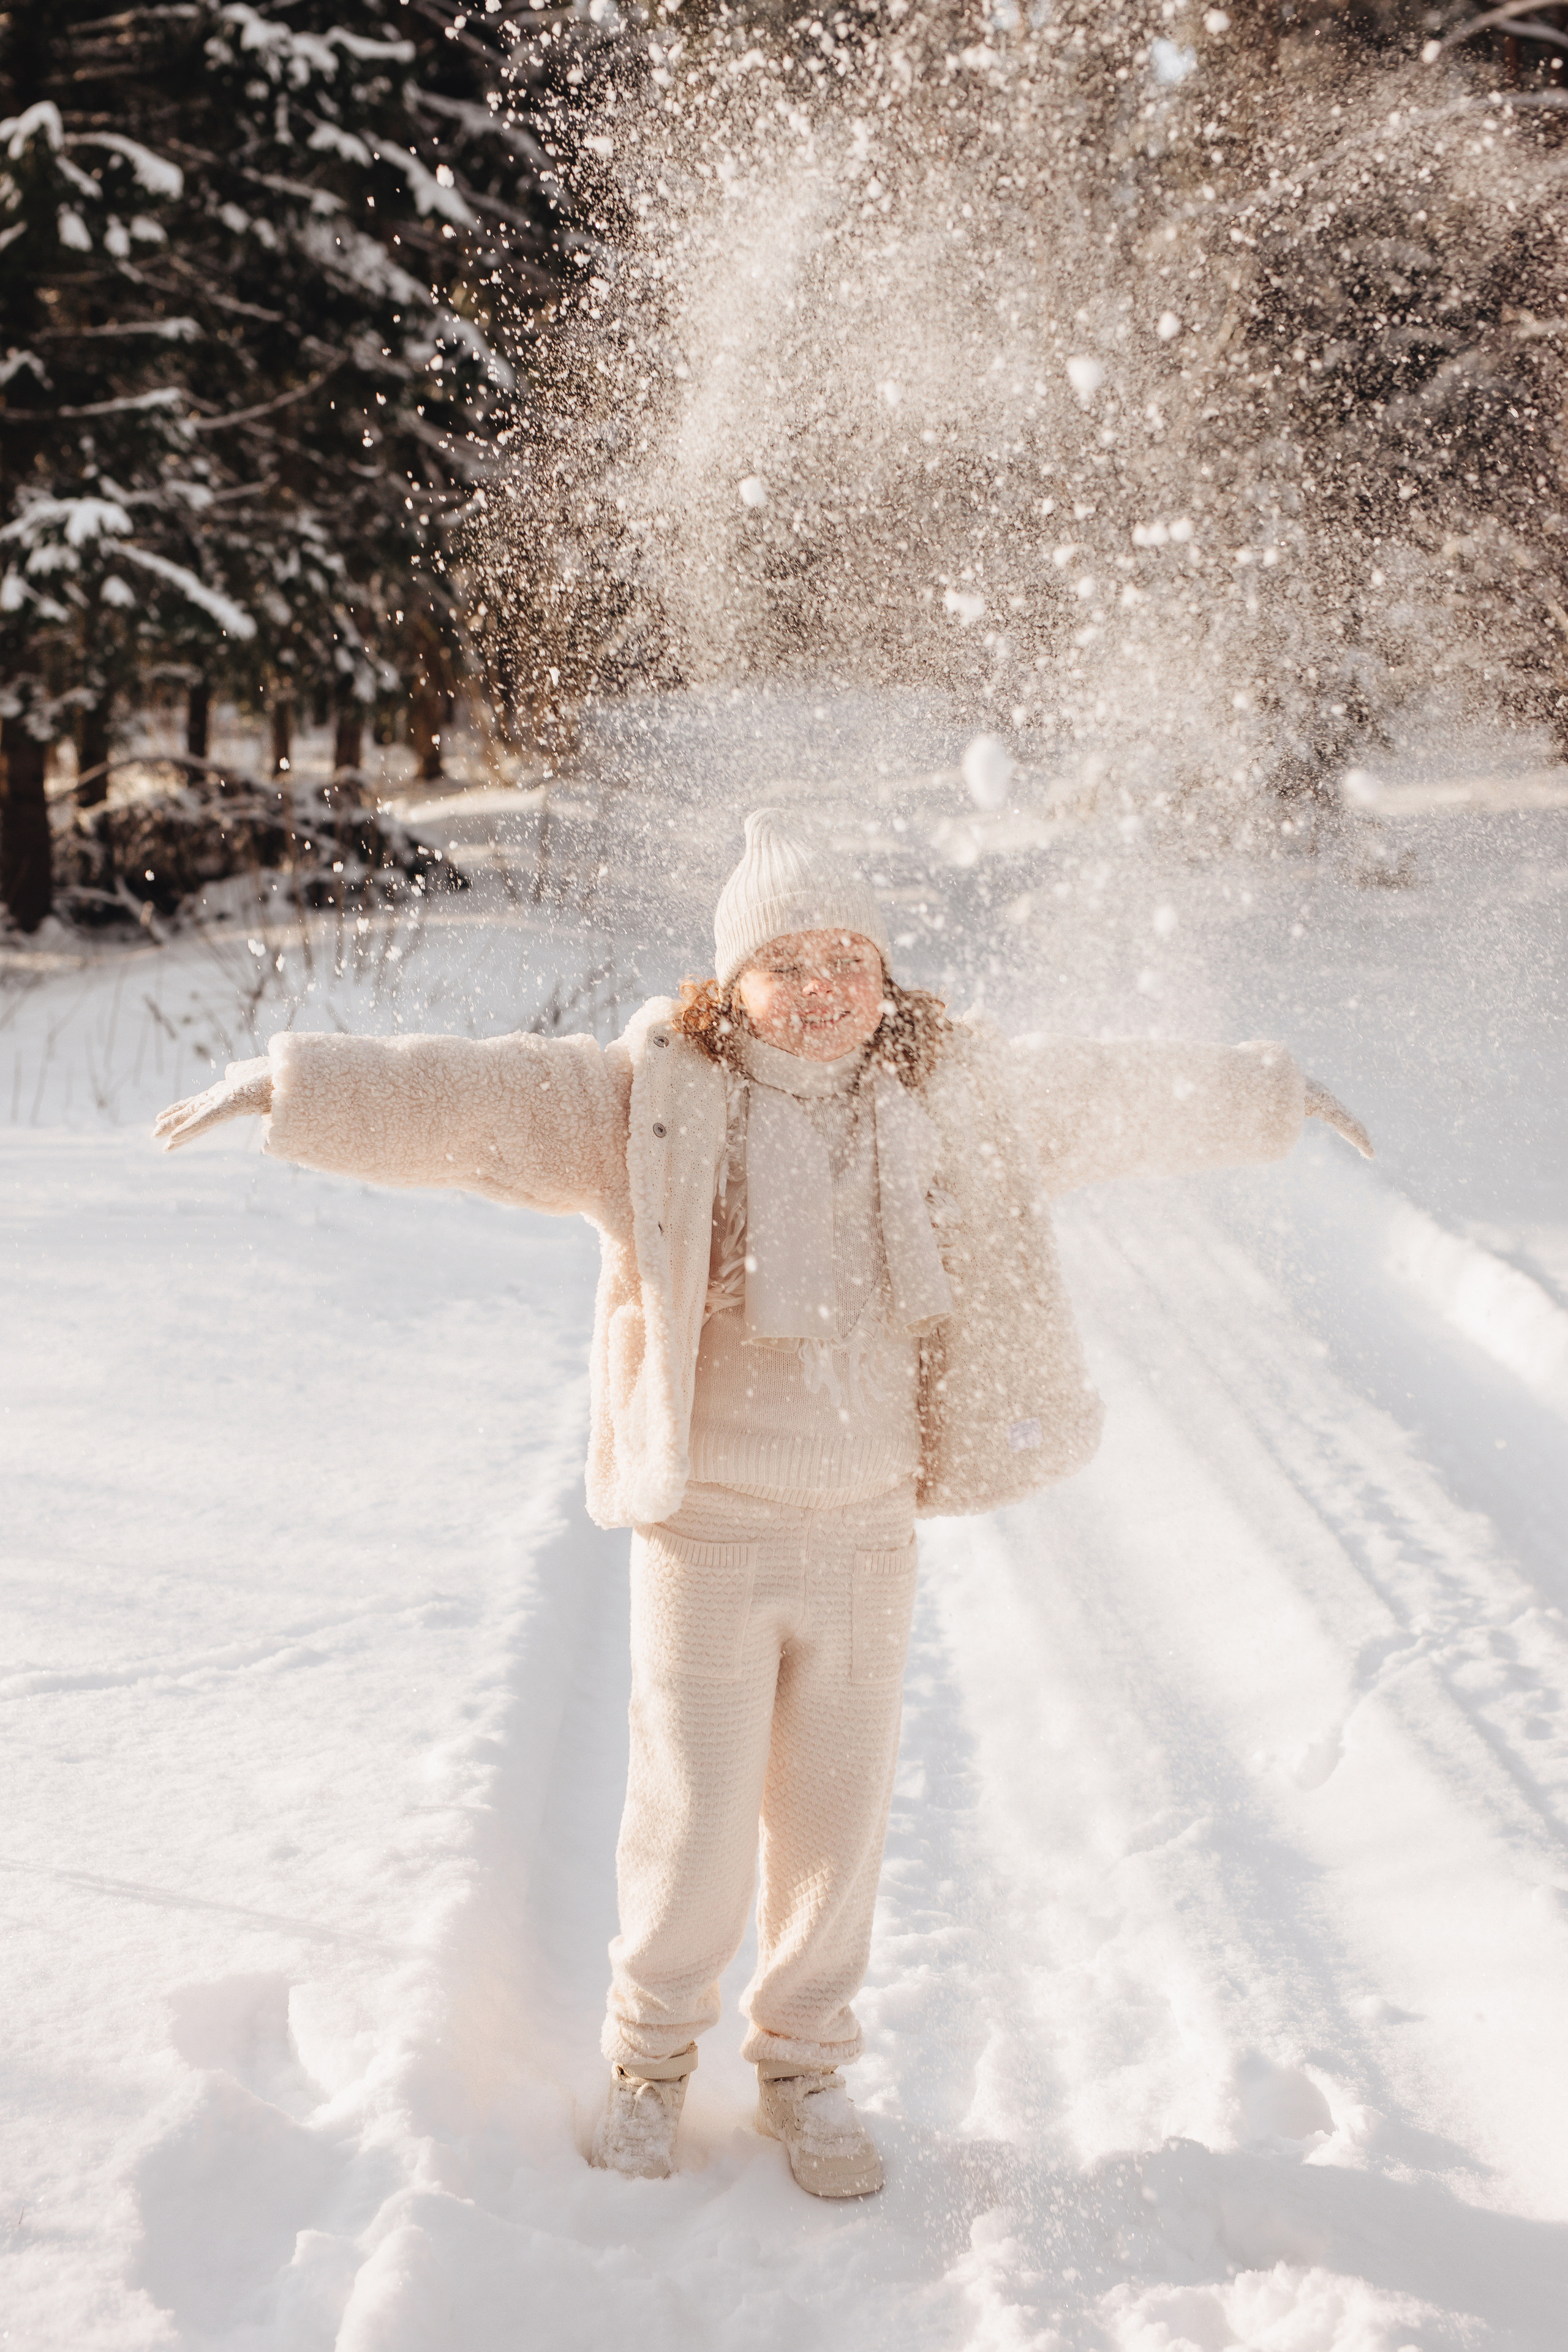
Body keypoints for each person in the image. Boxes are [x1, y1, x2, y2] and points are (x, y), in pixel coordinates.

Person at [154, 807, 1373, 2199]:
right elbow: (477, 1102)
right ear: (727, 983)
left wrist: (1271, 1095)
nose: (821, 986)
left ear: (885, 974)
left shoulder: (939, 1091)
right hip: (708, 1531)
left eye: (848, 955)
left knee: (837, 1818)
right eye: (785, 961)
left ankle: (805, 2067)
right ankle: (649, 2061)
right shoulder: (653, 1098)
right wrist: (297, 1090)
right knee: (692, 1809)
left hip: (863, 1530)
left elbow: (1101, 1093)